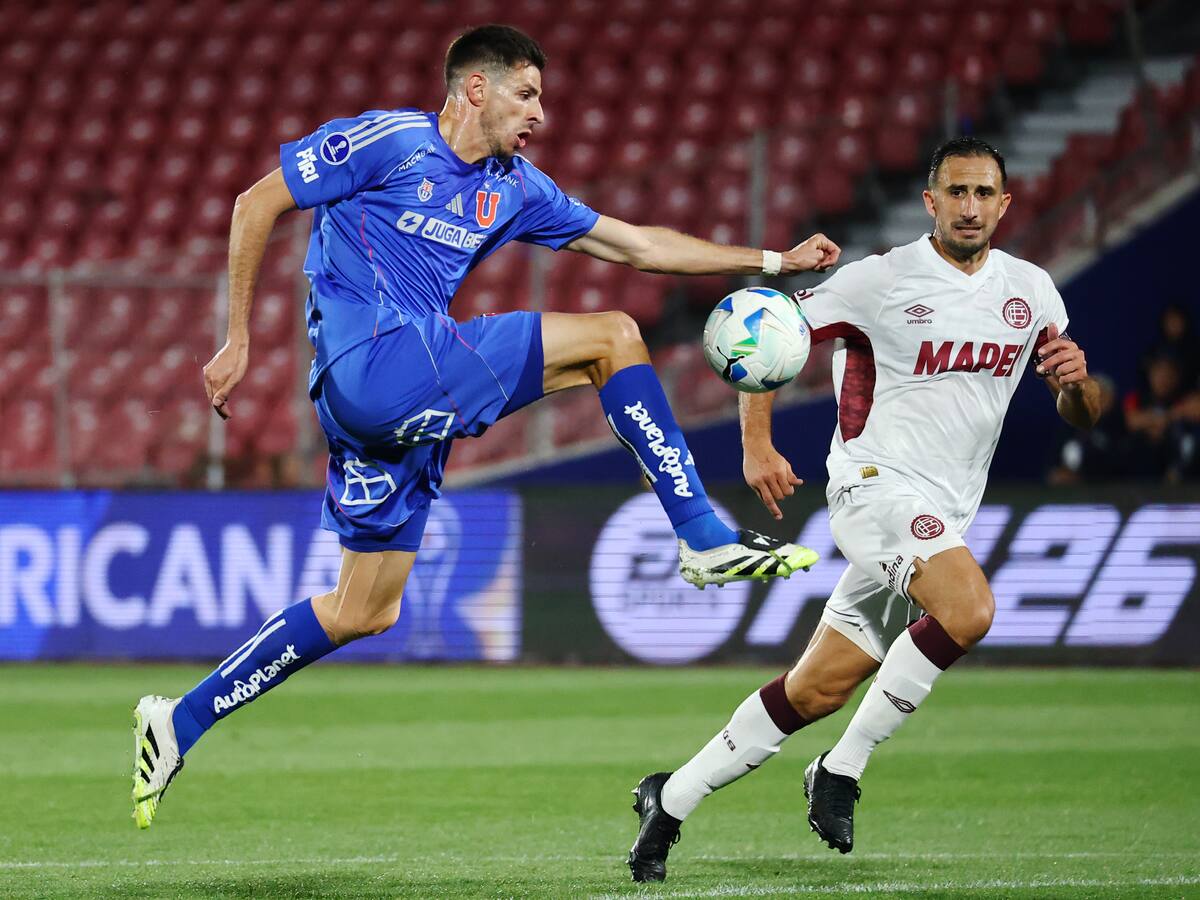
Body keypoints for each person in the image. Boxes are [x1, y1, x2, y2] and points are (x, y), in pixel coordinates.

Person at [129, 24, 841, 829]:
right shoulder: (391, 141)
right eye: (527, 95)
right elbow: (256, 201)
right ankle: (702, 533)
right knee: (612, 337)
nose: (540, 114)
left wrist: (773, 262)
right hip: (375, 359)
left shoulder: (514, 187)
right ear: (477, 88)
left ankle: (179, 720)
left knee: (365, 608)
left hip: (382, 409)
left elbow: (639, 245)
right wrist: (238, 337)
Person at [626, 137, 1101, 882]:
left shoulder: (1033, 292)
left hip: (942, 515)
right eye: (956, 192)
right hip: (871, 487)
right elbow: (766, 332)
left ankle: (671, 798)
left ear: (1005, 203)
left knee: (817, 688)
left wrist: (1077, 386)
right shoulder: (878, 280)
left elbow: (1083, 412)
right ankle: (842, 768)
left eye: (984, 193)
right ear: (930, 201)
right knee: (970, 610)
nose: (970, 207)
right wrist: (757, 444)